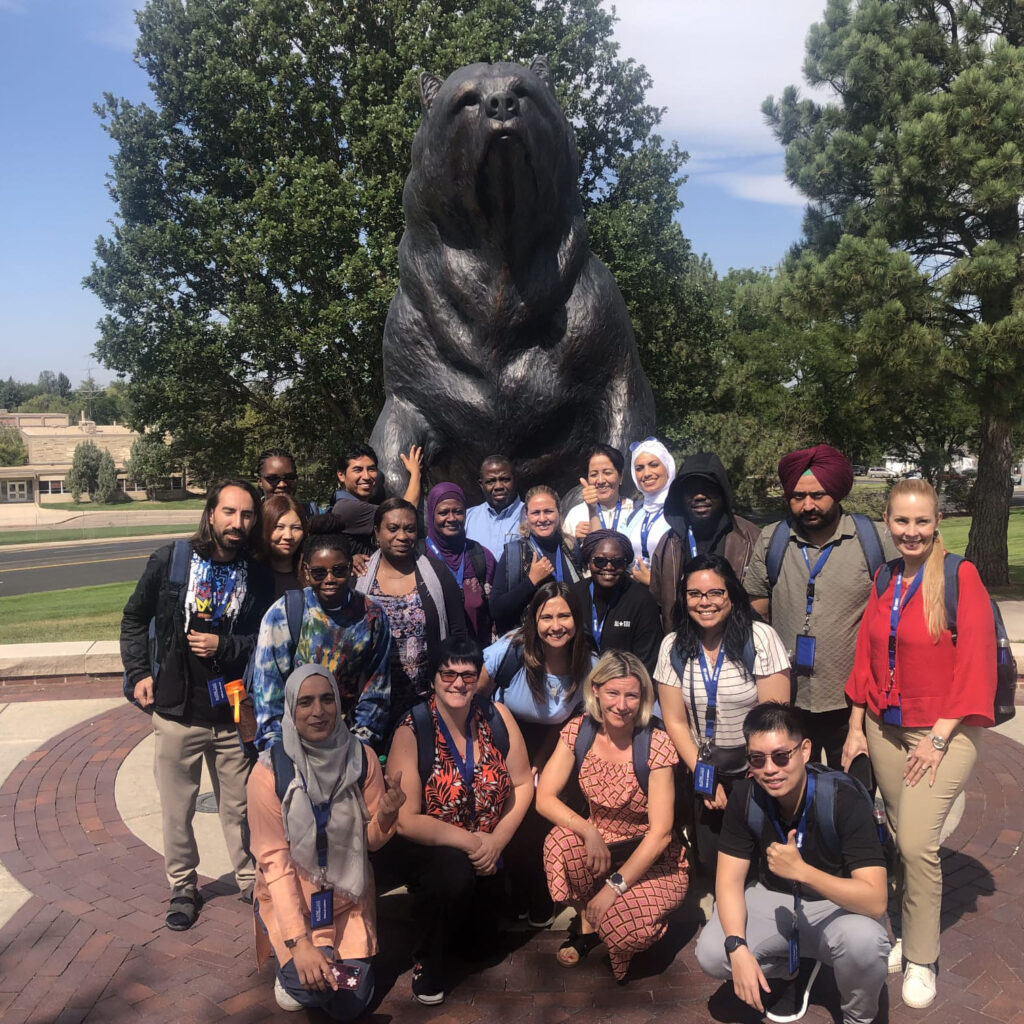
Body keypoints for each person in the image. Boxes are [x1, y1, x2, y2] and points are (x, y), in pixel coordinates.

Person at [844, 478, 995, 1010]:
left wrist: (937, 736)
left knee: (915, 844)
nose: (912, 531)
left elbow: (975, 662)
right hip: (885, 728)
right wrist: (855, 726)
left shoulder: (959, 576)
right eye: (902, 521)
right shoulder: (886, 576)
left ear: (937, 523)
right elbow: (866, 654)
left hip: (943, 733)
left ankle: (922, 958)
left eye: (922, 521)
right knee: (900, 840)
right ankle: (908, 931)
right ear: (888, 521)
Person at [120, 479, 273, 929]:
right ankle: (183, 885)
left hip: (232, 713)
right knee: (177, 807)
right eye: (229, 512)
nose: (237, 523)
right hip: (176, 711)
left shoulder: (257, 574)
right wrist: (138, 673)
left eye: (246, 515)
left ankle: (249, 879)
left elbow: (263, 637)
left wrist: (223, 645)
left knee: (240, 807)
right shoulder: (172, 561)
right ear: (211, 514)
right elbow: (134, 617)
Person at [696, 702, 889, 1024]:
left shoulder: (844, 799)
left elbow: (875, 901)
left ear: (805, 750)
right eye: (758, 759)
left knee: (865, 943)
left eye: (781, 756)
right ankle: (790, 966)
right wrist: (738, 947)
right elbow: (728, 881)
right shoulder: (746, 797)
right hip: (773, 900)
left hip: (835, 905)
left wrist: (802, 872)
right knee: (714, 954)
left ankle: (859, 1017)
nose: (770, 769)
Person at [247, 663, 405, 1017]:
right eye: (305, 702)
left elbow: (371, 842)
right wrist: (299, 944)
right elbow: (275, 864)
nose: (318, 712)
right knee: (308, 990)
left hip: (347, 900)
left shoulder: (361, 759)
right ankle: (286, 958)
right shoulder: (268, 772)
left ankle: (332, 957)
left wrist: (388, 814)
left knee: (350, 1004)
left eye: (326, 699)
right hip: (295, 904)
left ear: (338, 703)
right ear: (290, 708)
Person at [384, 638, 534, 1005]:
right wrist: (470, 843)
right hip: (437, 847)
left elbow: (522, 783)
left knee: (481, 948)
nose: (458, 683)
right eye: (448, 673)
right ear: (434, 677)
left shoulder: (496, 716)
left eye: (467, 675)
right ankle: (428, 959)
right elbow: (405, 820)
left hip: (488, 844)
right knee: (452, 876)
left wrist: (497, 840)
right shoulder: (414, 727)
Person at [536, 651, 688, 981]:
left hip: (652, 856)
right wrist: (588, 831)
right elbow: (544, 797)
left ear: (643, 697)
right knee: (559, 843)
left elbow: (661, 832)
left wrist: (614, 889)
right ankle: (589, 923)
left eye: (631, 695)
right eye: (613, 693)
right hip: (601, 846)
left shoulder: (656, 743)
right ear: (596, 691)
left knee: (621, 929)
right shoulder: (579, 731)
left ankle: (624, 926)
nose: (621, 705)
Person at [743, 444, 895, 773]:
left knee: (855, 796)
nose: (808, 505)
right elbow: (755, 606)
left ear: (837, 492)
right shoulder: (773, 540)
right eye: (798, 496)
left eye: (818, 495)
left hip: (855, 705)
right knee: (794, 798)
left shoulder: (874, 540)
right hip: (790, 701)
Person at [655, 554, 790, 874]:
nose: (705, 602)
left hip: (757, 767)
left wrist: (755, 774)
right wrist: (705, 777)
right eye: (695, 594)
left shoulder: (759, 638)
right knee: (715, 863)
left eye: (716, 593)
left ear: (732, 594)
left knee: (765, 858)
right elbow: (674, 720)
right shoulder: (673, 646)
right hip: (705, 765)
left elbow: (775, 717)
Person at [479, 582, 596, 925]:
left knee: (541, 814)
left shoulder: (588, 662)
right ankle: (512, 890)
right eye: (547, 617)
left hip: (555, 742)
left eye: (565, 615)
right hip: (503, 733)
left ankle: (541, 893)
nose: (556, 625)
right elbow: (478, 700)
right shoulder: (511, 650)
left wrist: (540, 763)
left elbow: (575, 722)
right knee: (508, 810)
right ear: (534, 620)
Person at [251, 519, 392, 753]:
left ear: (350, 567)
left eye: (339, 570)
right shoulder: (283, 614)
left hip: (349, 744)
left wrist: (361, 746)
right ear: (306, 571)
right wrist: (275, 751)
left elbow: (377, 689)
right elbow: (268, 690)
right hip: (294, 744)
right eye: (318, 572)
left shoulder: (372, 615)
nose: (329, 579)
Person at [354, 498, 468, 731]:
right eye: (393, 528)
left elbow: (457, 632)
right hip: (371, 700)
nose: (402, 536)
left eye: (409, 529)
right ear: (377, 531)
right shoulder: (358, 576)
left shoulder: (436, 573)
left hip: (425, 699)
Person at [649, 452, 762, 632]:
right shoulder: (669, 543)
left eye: (707, 488)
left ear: (722, 491)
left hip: (736, 646)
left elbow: (763, 605)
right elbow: (657, 605)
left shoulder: (751, 538)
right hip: (683, 646)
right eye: (691, 490)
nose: (699, 495)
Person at [489, 485, 582, 636]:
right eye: (535, 513)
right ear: (526, 515)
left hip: (569, 642)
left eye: (548, 511)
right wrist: (531, 581)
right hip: (529, 649)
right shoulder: (514, 554)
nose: (542, 519)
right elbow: (496, 609)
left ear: (559, 513)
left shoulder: (571, 549)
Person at [570, 529, 662, 677]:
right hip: (579, 685)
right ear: (588, 561)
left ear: (625, 564)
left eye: (617, 562)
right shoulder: (573, 595)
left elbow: (647, 662)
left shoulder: (642, 601)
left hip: (624, 688)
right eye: (600, 561)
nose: (608, 567)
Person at [425, 481, 496, 644]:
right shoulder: (418, 557)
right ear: (431, 514)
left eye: (458, 511)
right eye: (443, 512)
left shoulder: (482, 557)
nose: (451, 518)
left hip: (475, 659)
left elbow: (496, 611)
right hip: (433, 662)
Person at [330, 443, 423, 555]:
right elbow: (405, 513)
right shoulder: (347, 508)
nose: (366, 476)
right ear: (341, 475)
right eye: (358, 470)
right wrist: (416, 473)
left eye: (371, 469)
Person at [620, 438, 676, 587]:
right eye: (639, 468)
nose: (647, 473)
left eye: (654, 465)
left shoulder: (681, 511)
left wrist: (654, 583)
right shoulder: (634, 513)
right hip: (634, 596)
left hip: (667, 602)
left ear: (667, 467)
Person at [561, 443, 635, 545]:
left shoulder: (634, 511)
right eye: (594, 474)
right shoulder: (576, 514)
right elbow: (565, 556)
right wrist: (574, 542)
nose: (600, 481)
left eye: (607, 473)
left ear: (621, 476)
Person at [464, 454, 525, 556]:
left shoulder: (531, 515)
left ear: (515, 480)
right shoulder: (468, 518)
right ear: (481, 485)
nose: (498, 486)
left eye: (504, 479)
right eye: (490, 481)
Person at [261, 493, 308, 599]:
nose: (288, 536)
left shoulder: (312, 575)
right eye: (279, 527)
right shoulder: (247, 576)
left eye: (296, 528)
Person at [255, 448, 319, 517]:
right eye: (273, 478)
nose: (282, 484)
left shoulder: (310, 514)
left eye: (289, 477)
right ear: (260, 481)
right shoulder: (251, 517)